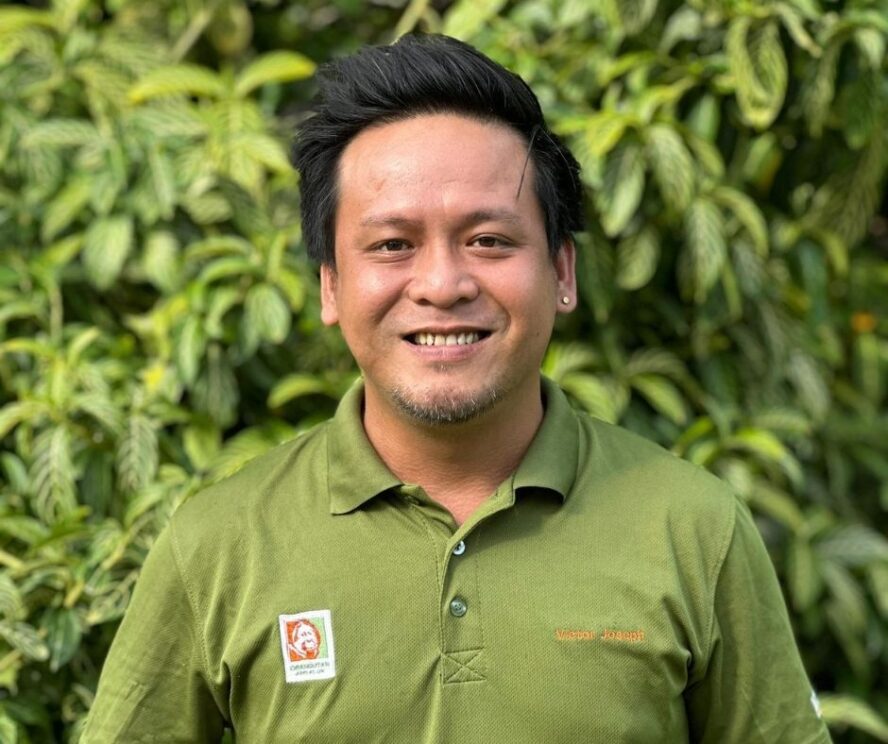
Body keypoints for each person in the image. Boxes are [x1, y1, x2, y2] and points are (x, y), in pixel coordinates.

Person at [83, 34, 832, 743]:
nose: (442, 285)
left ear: (562, 271)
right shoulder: (219, 545)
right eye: (392, 245)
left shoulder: (694, 530)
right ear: (331, 285)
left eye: (489, 241)